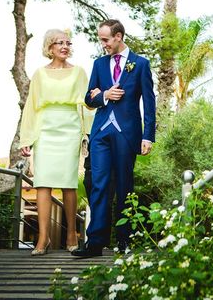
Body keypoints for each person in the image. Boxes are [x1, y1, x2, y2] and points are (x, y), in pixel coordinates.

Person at [72, 19, 156, 258]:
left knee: (124, 187)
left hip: (127, 134)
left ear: (118, 36)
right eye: (101, 39)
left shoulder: (140, 64)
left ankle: (124, 241)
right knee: (98, 184)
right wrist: (105, 95)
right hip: (100, 133)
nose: (103, 44)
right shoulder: (98, 64)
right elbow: (89, 98)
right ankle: (94, 244)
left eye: (105, 39)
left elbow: (149, 103)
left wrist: (148, 135)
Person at [20, 29, 91, 255]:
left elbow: (88, 104)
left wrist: (88, 133)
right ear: (49, 47)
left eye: (67, 43)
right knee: (42, 182)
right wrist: (27, 137)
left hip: (69, 129)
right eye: (59, 43)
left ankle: (71, 233)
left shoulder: (79, 72)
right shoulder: (39, 74)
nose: (64, 46)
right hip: (45, 130)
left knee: (69, 182)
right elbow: (31, 106)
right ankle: (43, 238)